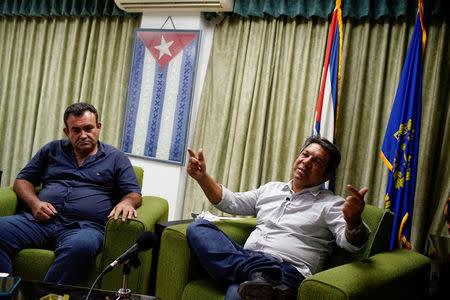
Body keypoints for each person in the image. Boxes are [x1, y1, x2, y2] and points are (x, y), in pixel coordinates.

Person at [185, 136, 370, 300]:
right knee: (198, 227)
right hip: (250, 260)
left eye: (317, 162)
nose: (306, 162)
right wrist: (202, 177)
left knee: (237, 294)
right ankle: (260, 275)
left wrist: (353, 222)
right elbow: (231, 202)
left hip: (287, 272)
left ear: (326, 175)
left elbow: (351, 243)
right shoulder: (270, 188)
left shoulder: (331, 204)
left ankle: (260, 276)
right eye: (305, 155)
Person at [0, 102, 142, 284]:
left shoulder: (116, 158)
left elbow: (134, 193)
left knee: (81, 247)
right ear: (67, 132)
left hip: (84, 228)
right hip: (39, 222)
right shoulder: (51, 150)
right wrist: (35, 204)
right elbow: (22, 181)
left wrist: (127, 202)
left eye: (88, 128)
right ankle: (6, 291)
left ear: (98, 127)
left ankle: (48, 296)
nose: (83, 135)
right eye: (76, 130)